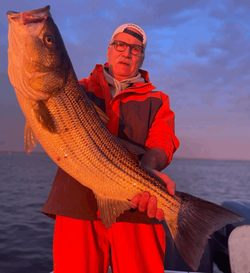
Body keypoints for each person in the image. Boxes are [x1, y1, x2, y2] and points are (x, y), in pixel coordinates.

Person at [42, 23, 180, 273]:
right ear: (109, 50)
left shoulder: (158, 99)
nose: (127, 52)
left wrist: (149, 168)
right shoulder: (78, 88)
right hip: (77, 202)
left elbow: (164, 139)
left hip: (135, 203)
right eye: (121, 45)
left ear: (142, 57)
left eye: (136, 49)